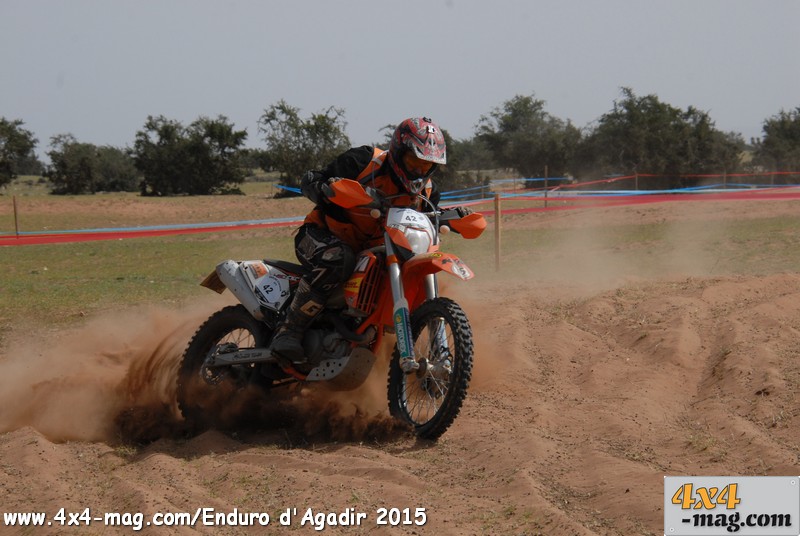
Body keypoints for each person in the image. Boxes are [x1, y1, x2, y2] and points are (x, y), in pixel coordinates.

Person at [268, 117, 471, 364]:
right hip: (320, 235)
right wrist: (325, 188)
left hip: (378, 251)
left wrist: (452, 218)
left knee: (411, 268)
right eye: (413, 162)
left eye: (426, 166)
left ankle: (426, 357)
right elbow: (310, 179)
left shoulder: (428, 192)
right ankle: (288, 330)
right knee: (339, 258)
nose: (419, 171)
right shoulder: (363, 162)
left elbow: (430, 215)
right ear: (398, 152)